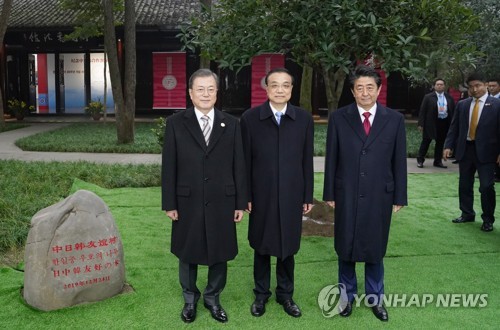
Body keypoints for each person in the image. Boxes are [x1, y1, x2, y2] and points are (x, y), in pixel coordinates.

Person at [323, 65, 407, 322]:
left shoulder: (394, 119)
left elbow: (399, 160)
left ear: (379, 90)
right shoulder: (339, 118)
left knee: (375, 248)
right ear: (352, 91)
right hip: (346, 191)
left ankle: (375, 299)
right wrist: (329, 192)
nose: (365, 92)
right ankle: (346, 297)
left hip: (380, 194)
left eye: (370, 87)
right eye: (359, 88)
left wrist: (399, 196)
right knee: (345, 247)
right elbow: (332, 158)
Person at [161, 69, 247, 324]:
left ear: (217, 92)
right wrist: (169, 203)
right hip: (187, 200)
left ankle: (213, 298)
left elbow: (238, 165)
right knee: (188, 251)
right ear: (190, 93)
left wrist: (240, 201)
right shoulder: (176, 123)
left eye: (211, 89)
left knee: (219, 251)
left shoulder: (231, 123)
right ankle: (190, 299)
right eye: (200, 89)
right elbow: (169, 167)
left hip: (223, 199)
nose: (206, 94)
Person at [240, 67, 314, 318]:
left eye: (285, 85)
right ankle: (261, 295)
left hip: (293, 194)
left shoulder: (303, 119)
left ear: (291, 89)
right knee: (261, 245)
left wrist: (307, 195)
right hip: (261, 195)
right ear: (266, 88)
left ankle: (286, 295)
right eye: (275, 85)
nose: (280, 90)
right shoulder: (250, 119)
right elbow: (244, 162)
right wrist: (245, 195)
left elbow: (307, 161)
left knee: (287, 247)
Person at [443, 72, 500, 232]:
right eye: (471, 87)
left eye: (478, 86)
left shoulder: (496, 105)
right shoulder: (463, 104)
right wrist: (448, 145)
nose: (474, 90)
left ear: (486, 85)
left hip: (487, 153)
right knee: (465, 184)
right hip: (466, 150)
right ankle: (467, 213)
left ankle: (488, 219)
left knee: (487, 186)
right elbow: (454, 127)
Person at [416, 78, 456, 168]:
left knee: (440, 143)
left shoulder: (449, 97)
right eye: (437, 84)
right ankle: (420, 160)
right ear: (434, 86)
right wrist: (420, 124)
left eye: (441, 84)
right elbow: (422, 111)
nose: (439, 86)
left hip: (444, 122)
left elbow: (453, 111)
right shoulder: (428, 97)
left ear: (444, 86)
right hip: (431, 123)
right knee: (426, 141)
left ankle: (437, 161)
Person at [487, 78, 500, 182]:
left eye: (493, 86)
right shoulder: (484, 98)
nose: (491, 88)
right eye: (489, 86)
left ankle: (498, 174)